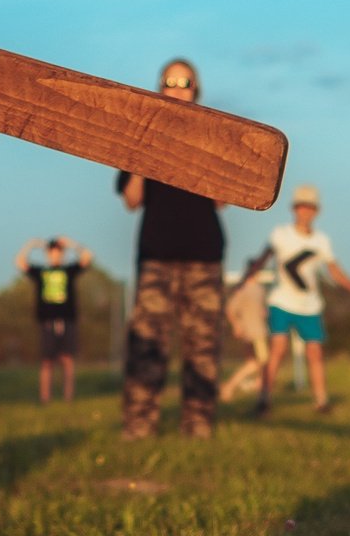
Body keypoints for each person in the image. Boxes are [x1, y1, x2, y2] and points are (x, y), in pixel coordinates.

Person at [116, 59, 228, 439]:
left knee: (203, 347)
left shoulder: (214, 134)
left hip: (204, 256)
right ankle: (139, 424)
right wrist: (142, 154)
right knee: (146, 344)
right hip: (156, 257)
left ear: (197, 90)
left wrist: (209, 156)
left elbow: (223, 201)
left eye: (186, 82)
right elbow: (131, 199)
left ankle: (198, 425)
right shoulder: (141, 133)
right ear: (159, 87)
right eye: (171, 81)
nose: (178, 88)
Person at [249, 183, 350, 416]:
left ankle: (321, 401)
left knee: (315, 352)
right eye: (301, 206)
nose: (305, 211)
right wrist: (246, 280)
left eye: (310, 207)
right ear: (294, 209)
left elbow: (334, 270)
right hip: (281, 302)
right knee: (278, 349)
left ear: (317, 211)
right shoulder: (280, 234)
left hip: (310, 305)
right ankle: (264, 398)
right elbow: (262, 260)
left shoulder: (321, 241)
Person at [18, 237, 94, 402]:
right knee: (47, 361)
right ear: (47, 255)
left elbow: (88, 257)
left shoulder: (69, 270)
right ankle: (45, 399)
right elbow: (20, 262)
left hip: (67, 319)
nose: (55, 256)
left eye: (58, 253)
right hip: (47, 321)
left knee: (68, 360)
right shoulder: (41, 272)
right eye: (52, 253)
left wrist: (71, 243)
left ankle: (68, 399)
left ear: (62, 254)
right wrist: (32, 244)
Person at [217, 268, 273, 402]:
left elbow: (233, 309)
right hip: (256, 333)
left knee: (253, 364)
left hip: (253, 332)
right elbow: (230, 309)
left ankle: (231, 387)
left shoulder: (251, 290)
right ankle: (260, 393)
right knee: (263, 364)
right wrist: (237, 325)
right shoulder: (249, 290)